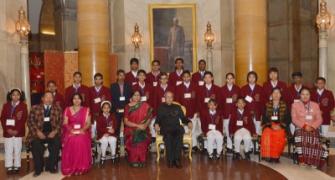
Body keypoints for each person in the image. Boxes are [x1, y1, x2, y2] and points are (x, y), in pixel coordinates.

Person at [27, 91, 63, 176]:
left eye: (51, 97)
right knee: (36, 145)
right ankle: (38, 168)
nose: (49, 99)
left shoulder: (58, 108)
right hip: (38, 133)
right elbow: (30, 122)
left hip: (52, 132)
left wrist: (55, 131)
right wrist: (37, 132)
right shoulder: (35, 108)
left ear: (53, 99)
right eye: (47, 97)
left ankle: (50, 166)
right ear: (42, 98)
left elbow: (61, 122)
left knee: (56, 143)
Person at [291, 88, 327, 168]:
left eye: (307, 94)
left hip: (313, 127)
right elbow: (294, 119)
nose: (305, 96)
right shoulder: (295, 105)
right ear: (300, 95)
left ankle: (312, 160)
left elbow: (319, 119)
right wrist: (304, 126)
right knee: (301, 136)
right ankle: (302, 160)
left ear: (310, 95)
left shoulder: (315, 105)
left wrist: (313, 127)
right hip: (300, 127)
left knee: (313, 138)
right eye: (303, 94)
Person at [155, 91, 192, 168]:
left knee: (179, 137)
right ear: (164, 98)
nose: (169, 99)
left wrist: (189, 122)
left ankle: (177, 160)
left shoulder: (177, 107)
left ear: (173, 98)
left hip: (176, 127)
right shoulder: (161, 107)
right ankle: (170, 160)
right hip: (166, 128)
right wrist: (156, 124)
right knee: (168, 138)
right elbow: (157, 120)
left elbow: (183, 118)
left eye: (171, 97)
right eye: (167, 97)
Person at [61, 93, 91, 176]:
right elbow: (65, 123)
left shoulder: (86, 109)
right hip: (70, 130)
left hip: (82, 129)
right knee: (71, 139)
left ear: (81, 100)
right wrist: (71, 130)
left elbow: (88, 123)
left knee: (81, 139)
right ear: (72, 100)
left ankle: (81, 167)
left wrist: (82, 129)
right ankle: (70, 167)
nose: (77, 100)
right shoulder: (67, 109)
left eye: (78, 98)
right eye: (74, 98)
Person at [0, 88, 27, 174]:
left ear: (20, 96)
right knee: (8, 149)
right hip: (8, 131)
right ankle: (9, 166)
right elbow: (3, 118)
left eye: (17, 95)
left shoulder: (23, 106)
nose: (16, 96)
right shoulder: (6, 105)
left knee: (17, 148)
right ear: (10, 96)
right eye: (14, 95)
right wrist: (7, 129)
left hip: (18, 132)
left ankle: (17, 165)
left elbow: (23, 119)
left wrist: (16, 130)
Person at [124, 91, 153, 167]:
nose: (137, 97)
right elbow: (126, 121)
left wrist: (145, 125)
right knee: (133, 137)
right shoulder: (127, 107)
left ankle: (142, 160)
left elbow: (149, 117)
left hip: (143, 128)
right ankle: (134, 160)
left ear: (140, 97)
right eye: (135, 95)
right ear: (131, 97)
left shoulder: (145, 105)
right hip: (131, 128)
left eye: (138, 95)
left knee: (142, 138)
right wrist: (138, 126)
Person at [261, 88, 288, 163]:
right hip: (269, 125)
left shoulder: (284, 105)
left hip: (281, 125)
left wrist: (280, 125)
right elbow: (264, 118)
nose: (276, 95)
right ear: (271, 95)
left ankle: (275, 156)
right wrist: (271, 125)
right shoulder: (267, 104)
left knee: (279, 134)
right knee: (267, 133)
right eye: (274, 93)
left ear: (280, 95)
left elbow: (288, 118)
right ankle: (267, 155)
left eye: (278, 93)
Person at [175, 70, 201, 150]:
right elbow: (177, 101)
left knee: (192, 129)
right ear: (182, 78)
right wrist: (179, 112)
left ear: (190, 77)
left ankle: (193, 145)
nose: (186, 78)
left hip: (193, 111)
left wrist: (197, 111)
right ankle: (185, 146)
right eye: (184, 77)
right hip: (183, 113)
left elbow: (198, 100)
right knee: (185, 129)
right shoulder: (178, 87)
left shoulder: (195, 86)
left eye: (188, 76)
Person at [220, 73, 240, 153]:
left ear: (234, 79)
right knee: (227, 130)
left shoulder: (237, 89)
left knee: (235, 129)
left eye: (231, 78)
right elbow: (220, 103)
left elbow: (240, 101)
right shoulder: (222, 89)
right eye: (228, 78)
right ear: (226, 80)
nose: (229, 80)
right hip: (226, 113)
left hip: (235, 113)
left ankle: (235, 145)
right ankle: (229, 146)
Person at [151, 73, 175, 140]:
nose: (163, 80)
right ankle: (161, 146)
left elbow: (174, 100)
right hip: (160, 112)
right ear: (159, 80)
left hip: (170, 112)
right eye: (162, 78)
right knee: (160, 128)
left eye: (165, 78)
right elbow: (155, 101)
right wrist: (155, 113)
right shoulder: (156, 89)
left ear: (167, 79)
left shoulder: (172, 88)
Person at [240, 71, 264, 136]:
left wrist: (262, 114)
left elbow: (262, 103)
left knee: (257, 129)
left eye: (253, 77)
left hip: (257, 112)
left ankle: (256, 145)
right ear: (247, 78)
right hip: (247, 112)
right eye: (250, 77)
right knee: (248, 129)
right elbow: (241, 103)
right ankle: (250, 145)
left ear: (256, 78)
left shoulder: (260, 88)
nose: (251, 79)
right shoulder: (243, 89)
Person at [88, 73, 112, 138]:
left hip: (103, 114)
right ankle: (93, 145)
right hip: (93, 114)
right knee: (92, 133)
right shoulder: (90, 90)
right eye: (96, 79)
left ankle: (101, 145)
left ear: (102, 80)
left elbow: (109, 103)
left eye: (99, 79)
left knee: (102, 132)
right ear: (94, 80)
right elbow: (88, 103)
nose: (98, 81)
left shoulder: (106, 90)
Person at [110, 70, 133, 134]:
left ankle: (127, 140)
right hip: (117, 109)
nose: (122, 77)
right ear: (117, 76)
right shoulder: (113, 86)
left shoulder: (128, 86)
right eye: (120, 75)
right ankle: (117, 140)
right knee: (116, 126)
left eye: (123, 75)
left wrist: (128, 108)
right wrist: (115, 108)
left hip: (126, 109)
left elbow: (130, 98)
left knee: (127, 126)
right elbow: (111, 99)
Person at [96, 101, 117, 165]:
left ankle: (113, 156)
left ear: (110, 109)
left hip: (111, 134)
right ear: (102, 109)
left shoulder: (113, 117)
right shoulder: (99, 118)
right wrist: (106, 132)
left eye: (108, 108)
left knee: (113, 140)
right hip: (102, 134)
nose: (106, 109)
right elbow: (99, 128)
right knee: (104, 140)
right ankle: (103, 157)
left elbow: (115, 126)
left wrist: (113, 130)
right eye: (105, 108)